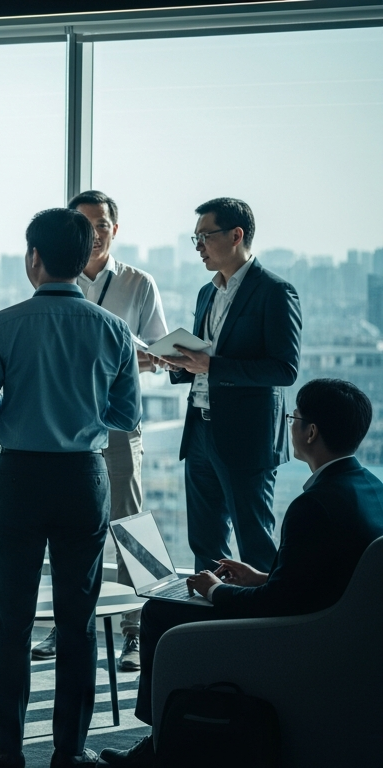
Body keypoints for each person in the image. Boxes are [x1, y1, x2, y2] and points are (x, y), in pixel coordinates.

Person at [98, 378, 383, 767]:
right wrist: (261, 576)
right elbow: (325, 575)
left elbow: (278, 603)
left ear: (311, 432)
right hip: (336, 623)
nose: (290, 424)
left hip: (300, 632)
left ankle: (157, 744)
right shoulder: (371, 489)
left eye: (294, 417)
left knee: (160, 612)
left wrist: (216, 590)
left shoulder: (313, 505)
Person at [0, 208, 141, 768]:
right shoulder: (114, 330)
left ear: (33, 258)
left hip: (18, 475)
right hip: (82, 478)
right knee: (78, 621)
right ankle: (70, 751)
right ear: (86, 258)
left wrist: (21, 402)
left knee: (11, 619)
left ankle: (8, 750)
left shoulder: (4, 323)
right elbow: (126, 413)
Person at [35, 191, 169, 671]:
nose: (94, 235)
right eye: (84, 226)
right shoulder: (54, 277)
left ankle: (139, 632)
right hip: (66, 427)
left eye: (102, 226)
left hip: (114, 421)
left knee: (131, 524)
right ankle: (62, 624)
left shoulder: (138, 283)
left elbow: (159, 353)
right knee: (64, 529)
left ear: (117, 228)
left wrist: (137, 358)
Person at [152, 198, 302, 574]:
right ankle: (210, 627)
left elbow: (284, 370)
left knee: (255, 542)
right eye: (195, 237)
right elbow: (201, 362)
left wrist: (213, 366)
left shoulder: (275, 291)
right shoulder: (207, 292)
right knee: (205, 542)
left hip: (247, 437)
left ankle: (265, 627)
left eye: (205, 236)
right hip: (200, 429)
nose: (198, 246)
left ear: (236, 235)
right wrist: (176, 363)